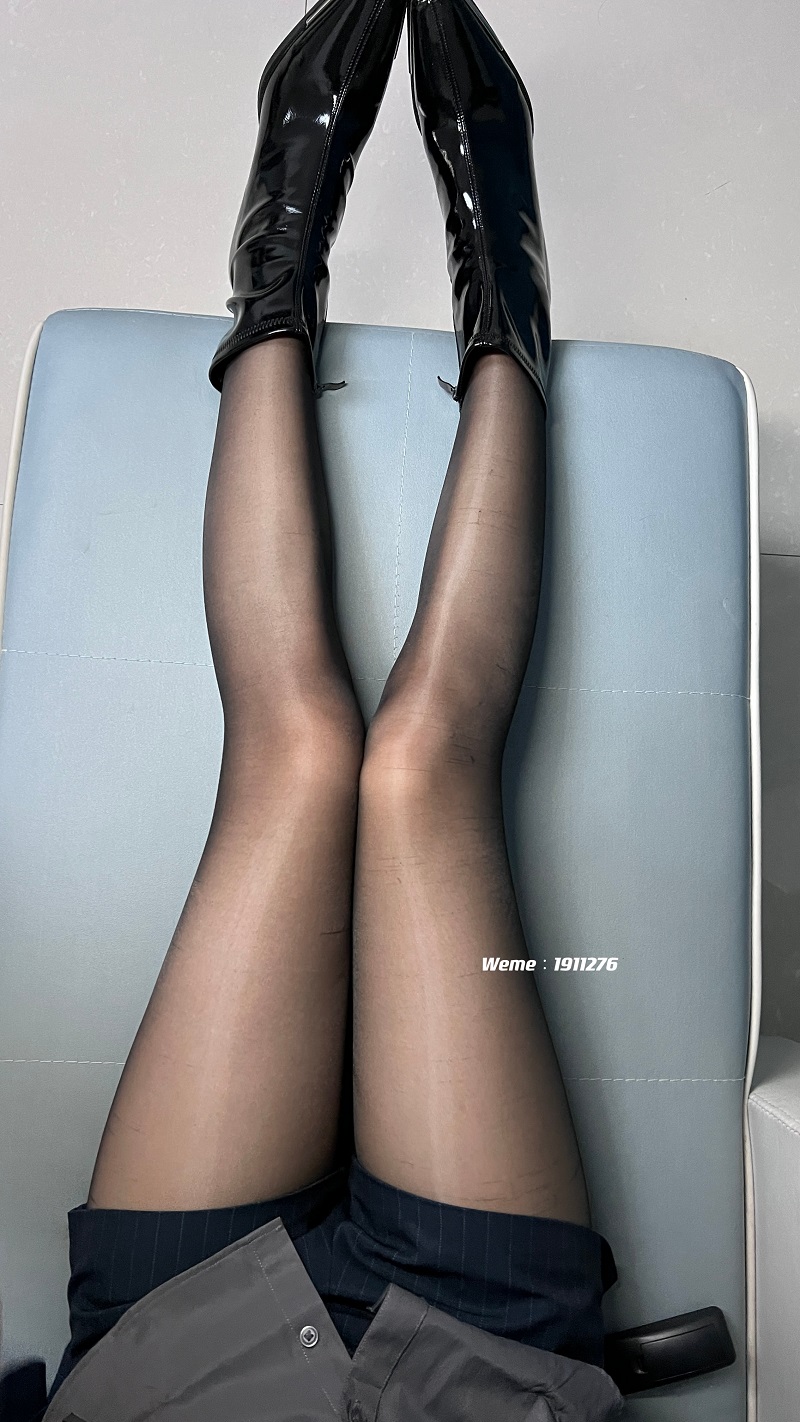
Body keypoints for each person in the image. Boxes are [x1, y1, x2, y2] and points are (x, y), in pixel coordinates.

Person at [43, 0, 624, 1417]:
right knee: (419, 763)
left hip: (175, 1362)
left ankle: (280, 239)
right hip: (483, 1367)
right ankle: (506, 271)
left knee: (301, 754)